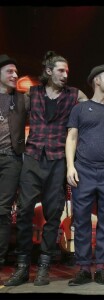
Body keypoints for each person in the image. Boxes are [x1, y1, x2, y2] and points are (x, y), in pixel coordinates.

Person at [4, 51, 104, 287]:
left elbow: (99, 106)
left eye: (67, 71)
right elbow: (11, 116)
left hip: (57, 160)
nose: (65, 75)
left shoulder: (74, 95)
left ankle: (44, 266)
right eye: (61, 70)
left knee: (53, 215)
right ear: (48, 71)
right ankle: (22, 267)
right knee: (23, 213)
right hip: (33, 157)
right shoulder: (31, 95)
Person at [65, 64, 104, 286]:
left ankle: (101, 267)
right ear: (96, 81)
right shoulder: (79, 109)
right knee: (81, 219)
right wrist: (70, 167)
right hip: (83, 170)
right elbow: (72, 138)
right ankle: (84, 268)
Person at [0, 54, 29, 270]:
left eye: (16, 71)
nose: (15, 75)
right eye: (10, 71)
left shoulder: (22, 99)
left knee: (2, 209)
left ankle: (0, 257)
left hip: (11, 158)